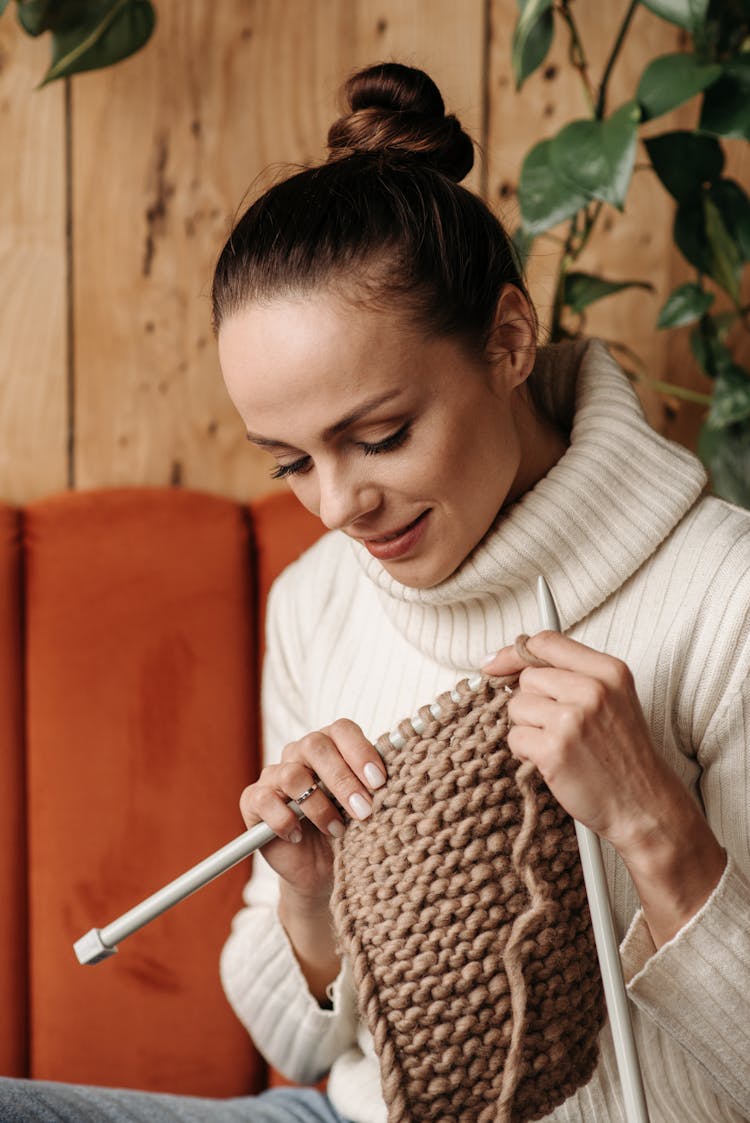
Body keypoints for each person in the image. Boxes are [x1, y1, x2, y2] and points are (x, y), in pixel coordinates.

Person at [2, 61, 749, 1123]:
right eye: (290, 461)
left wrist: (657, 829)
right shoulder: (317, 601)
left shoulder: (727, 597)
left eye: (381, 435)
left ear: (507, 340)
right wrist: (309, 892)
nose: (341, 503)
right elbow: (296, 1042)